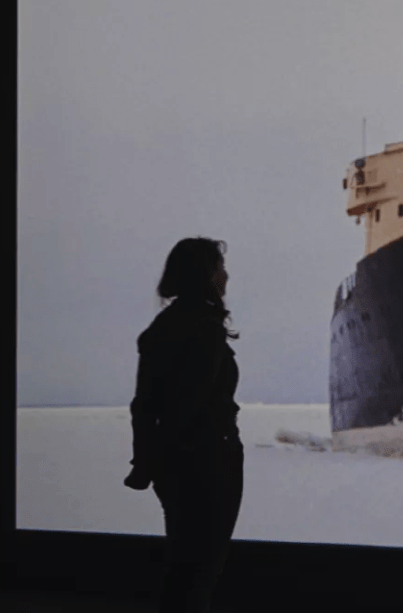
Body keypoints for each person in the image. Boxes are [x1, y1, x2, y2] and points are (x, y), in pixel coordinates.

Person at [124, 237, 243, 613]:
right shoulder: (205, 330)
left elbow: (143, 405)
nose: (226, 275)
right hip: (209, 461)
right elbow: (187, 404)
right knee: (200, 572)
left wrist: (147, 462)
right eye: (219, 268)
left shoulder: (162, 328)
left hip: (173, 467)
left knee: (183, 566)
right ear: (206, 275)